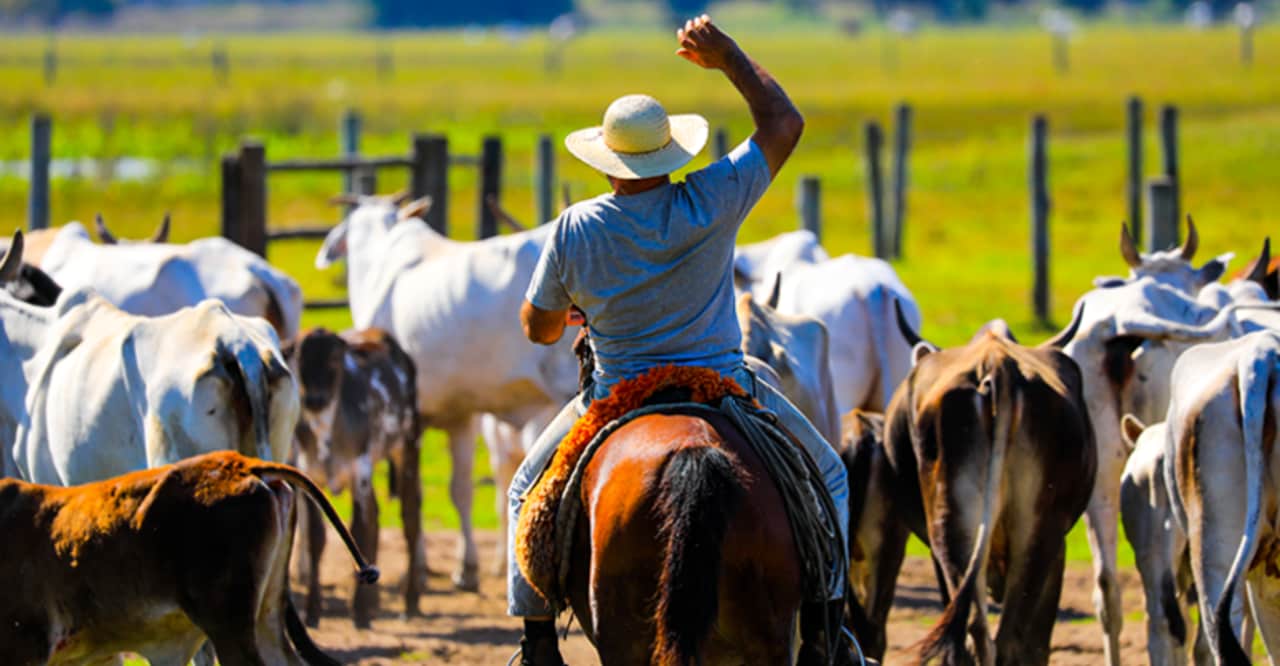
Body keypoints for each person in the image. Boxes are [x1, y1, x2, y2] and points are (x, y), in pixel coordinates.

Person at [510, 15, 851, 666]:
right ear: (670, 155)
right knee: (829, 476)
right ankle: (829, 636)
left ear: (608, 163)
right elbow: (784, 124)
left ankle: (536, 644)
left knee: (526, 490)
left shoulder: (578, 226)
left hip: (615, 396)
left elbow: (537, 326)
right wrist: (730, 59)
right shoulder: (712, 196)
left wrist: (577, 310)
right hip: (722, 385)